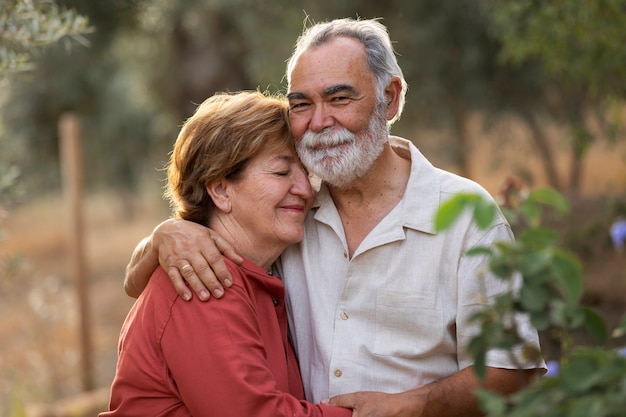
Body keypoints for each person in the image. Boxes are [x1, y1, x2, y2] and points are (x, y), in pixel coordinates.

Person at [125, 18, 546, 417]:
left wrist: (417, 405)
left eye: (340, 98)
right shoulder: (290, 217)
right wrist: (163, 236)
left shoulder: (466, 216)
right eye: (302, 104)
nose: (320, 122)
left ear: (391, 98)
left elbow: (514, 370)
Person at [101, 91, 352, 417]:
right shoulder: (205, 278)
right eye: (281, 172)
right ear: (220, 190)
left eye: (307, 172)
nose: (305, 189)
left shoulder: (260, 275)